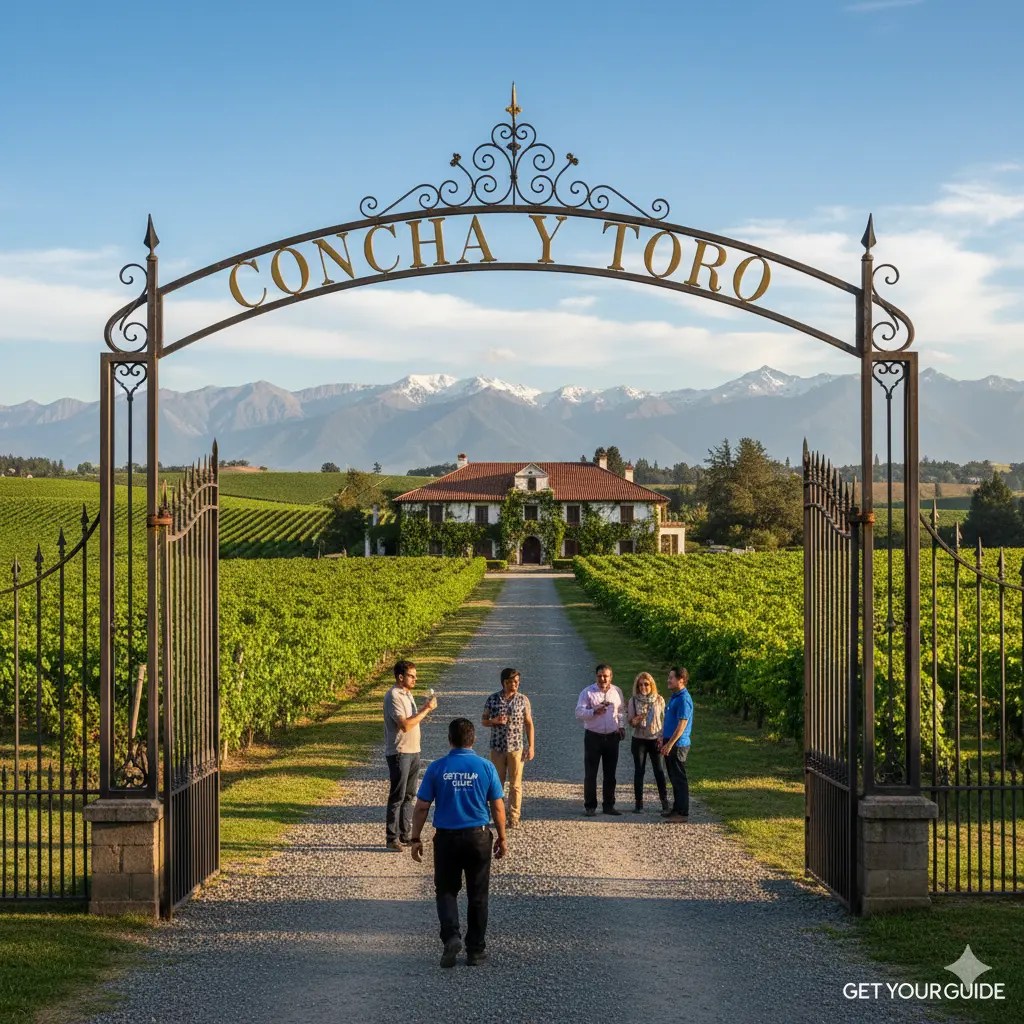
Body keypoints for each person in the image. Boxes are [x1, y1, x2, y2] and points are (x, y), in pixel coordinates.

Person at [409, 718, 508, 968]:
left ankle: (451, 937)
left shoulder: (437, 768)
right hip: (478, 836)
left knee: (446, 890)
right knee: (478, 894)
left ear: (450, 739)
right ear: (473, 739)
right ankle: (475, 950)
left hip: (447, 838)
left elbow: (421, 807)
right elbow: (497, 805)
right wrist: (503, 837)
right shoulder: (486, 767)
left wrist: (415, 837)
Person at [383, 659, 436, 851]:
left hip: (414, 751)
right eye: (411, 676)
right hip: (400, 752)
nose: (415, 679)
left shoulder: (407, 694)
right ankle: (391, 838)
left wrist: (422, 709)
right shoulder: (393, 696)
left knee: (410, 794)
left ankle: (405, 834)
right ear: (400, 677)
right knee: (397, 795)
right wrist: (426, 709)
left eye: (415, 675)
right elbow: (405, 725)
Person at [481, 667, 535, 827]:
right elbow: (483, 721)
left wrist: (531, 746)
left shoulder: (523, 700)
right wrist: (494, 721)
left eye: (517, 682)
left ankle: (514, 817)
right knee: (497, 784)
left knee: (516, 785)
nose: (515, 685)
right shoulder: (492, 699)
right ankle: (499, 815)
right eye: (511, 682)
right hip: (497, 748)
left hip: (516, 748)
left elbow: (529, 723)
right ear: (504, 682)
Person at [574, 663, 626, 816]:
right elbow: (578, 712)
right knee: (591, 773)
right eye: (600, 676)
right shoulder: (587, 692)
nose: (603, 679)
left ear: (611, 677)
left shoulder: (617, 692)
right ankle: (590, 806)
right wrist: (593, 711)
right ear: (596, 676)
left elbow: (621, 711)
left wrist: (621, 726)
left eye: (606, 676)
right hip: (593, 736)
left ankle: (609, 805)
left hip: (612, 736)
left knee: (610, 773)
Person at [627, 671, 668, 814]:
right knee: (639, 771)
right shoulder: (633, 700)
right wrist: (637, 719)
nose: (643, 687)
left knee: (659, 770)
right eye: (640, 685)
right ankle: (639, 804)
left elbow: (664, 720)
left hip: (655, 738)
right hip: (639, 740)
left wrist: (662, 737)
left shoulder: (659, 700)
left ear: (652, 685)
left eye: (646, 684)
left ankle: (664, 801)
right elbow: (630, 722)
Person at [660, 666, 694, 822]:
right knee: (673, 777)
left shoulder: (683, 699)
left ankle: (682, 813)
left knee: (679, 778)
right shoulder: (675, 696)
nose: (668, 680)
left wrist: (670, 744)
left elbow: (682, 725)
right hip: (670, 741)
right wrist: (663, 738)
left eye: (671, 677)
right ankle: (676, 808)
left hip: (678, 744)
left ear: (681, 679)